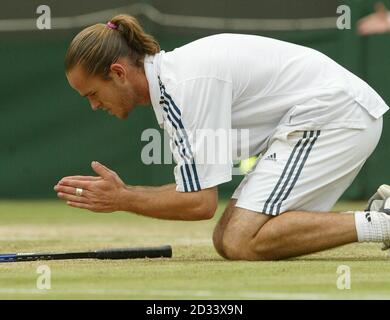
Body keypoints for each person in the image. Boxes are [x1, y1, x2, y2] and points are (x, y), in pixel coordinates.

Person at [54, 14, 390, 261]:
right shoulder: (172, 87)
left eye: (93, 94)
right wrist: (124, 195)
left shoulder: (182, 88)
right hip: (323, 118)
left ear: (117, 73)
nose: (95, 106)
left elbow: (199, 202)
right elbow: (198, 197)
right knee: (227, 239)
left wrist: (123, 198)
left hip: (335, 116)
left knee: (243, 240)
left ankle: (383, 224)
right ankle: (380, 216)